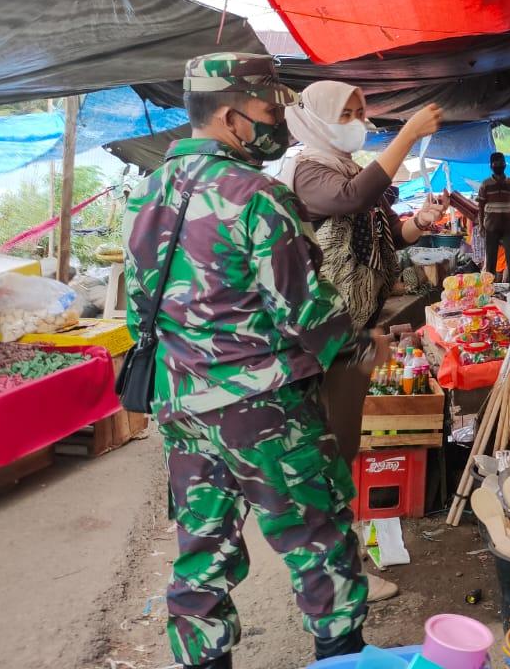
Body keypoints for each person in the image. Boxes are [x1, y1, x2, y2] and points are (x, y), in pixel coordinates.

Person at [123, 54, 389, 668]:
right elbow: (304, 311)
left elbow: (139, 313)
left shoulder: (148, 194)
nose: (276, 123)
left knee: (203, 552)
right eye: (269, 111)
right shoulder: (256, 196)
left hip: (183, 406)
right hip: (264, 410)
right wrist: (357, 348)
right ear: (231, 116)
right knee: (317, 541)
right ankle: (341, 658)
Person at [279, 82, 444, 469]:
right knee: (325, 439)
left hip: (353, 333)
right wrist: (408, 134)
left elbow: (395, 236)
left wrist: (421, 220)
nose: (357, 123)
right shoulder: (307, 172)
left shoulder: (349, 170)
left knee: (344, 435)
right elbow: (351, 196)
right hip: (321, 336)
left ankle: (338, 511)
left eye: (359, 113)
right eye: (345, 115)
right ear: (315, 120)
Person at [477, 151, 510, 284]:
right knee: (491, 259)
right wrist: (481, 225)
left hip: (508, 226)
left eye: (501, 162)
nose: (499, 165)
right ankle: (489, 287)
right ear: (491, 166)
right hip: (491, 226)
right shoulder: (485, 184)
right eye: (496, 163)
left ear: (505, 164)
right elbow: (480, 206)